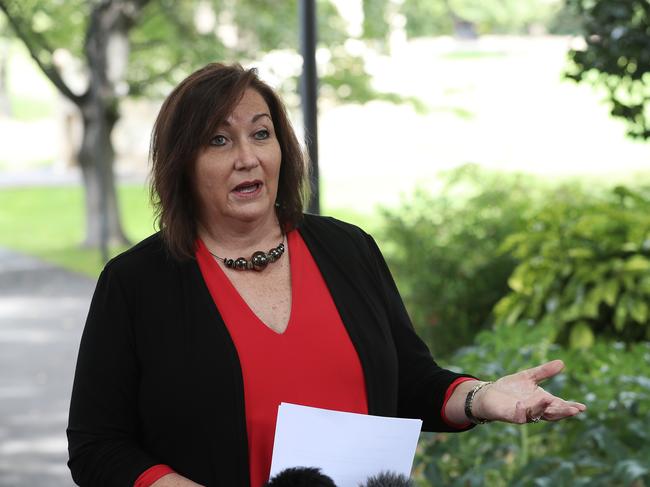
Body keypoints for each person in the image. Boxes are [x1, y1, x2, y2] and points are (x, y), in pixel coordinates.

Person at [67, 63, 586, 487]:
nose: (247, 158)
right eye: (219, 141)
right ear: (183, 164)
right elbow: (96, 446)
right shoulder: (136, 283)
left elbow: (411, 383)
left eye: (261, 134)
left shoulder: (347, 249)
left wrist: (484, 397)